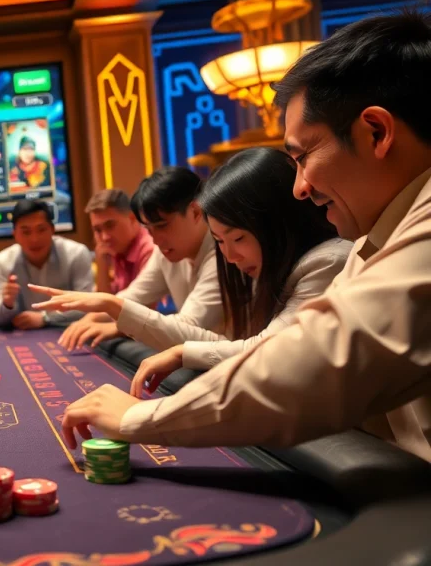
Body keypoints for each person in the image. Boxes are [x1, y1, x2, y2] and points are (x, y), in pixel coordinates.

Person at [54, 11, 431, 463]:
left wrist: (140, 418)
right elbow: (288, 348)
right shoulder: (375, 242)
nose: (300, 188)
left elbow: (309, 369)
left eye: (301, 157)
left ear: (377, 132)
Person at [41, 149, 351, 392]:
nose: (229, 256)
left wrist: (173, 354)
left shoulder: (325, 261)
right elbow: (244, 349)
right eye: (220, 241)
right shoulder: (256, 262)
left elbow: (263, 352)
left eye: (238, 237)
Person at [51, 167, 223, 351]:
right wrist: (93, 316)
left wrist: (114, 320)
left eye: (162, 226)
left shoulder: (223, 253)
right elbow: (134, 298)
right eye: (149, 230)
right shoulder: (166, 250)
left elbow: (188, 327)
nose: (155, 240)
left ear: (196, 212)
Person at [0, 200, 95, 329]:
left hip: (69, 330)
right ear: (15, 235)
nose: (34, 239)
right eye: (26, 232)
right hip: (23, 334)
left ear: (52, 230)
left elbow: (87, 306)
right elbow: (0, 319)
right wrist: (7, 304)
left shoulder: (76, 254)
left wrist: (45, 317)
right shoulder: (3, 261)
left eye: (41, 230)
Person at [86, 189, 153, 294]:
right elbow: (104, 303)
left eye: (110, 226)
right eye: (98, 230)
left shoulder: (150, 251)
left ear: (132, 218)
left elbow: (144, 307)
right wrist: (102, 264)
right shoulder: (119, 249)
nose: (104, 237)